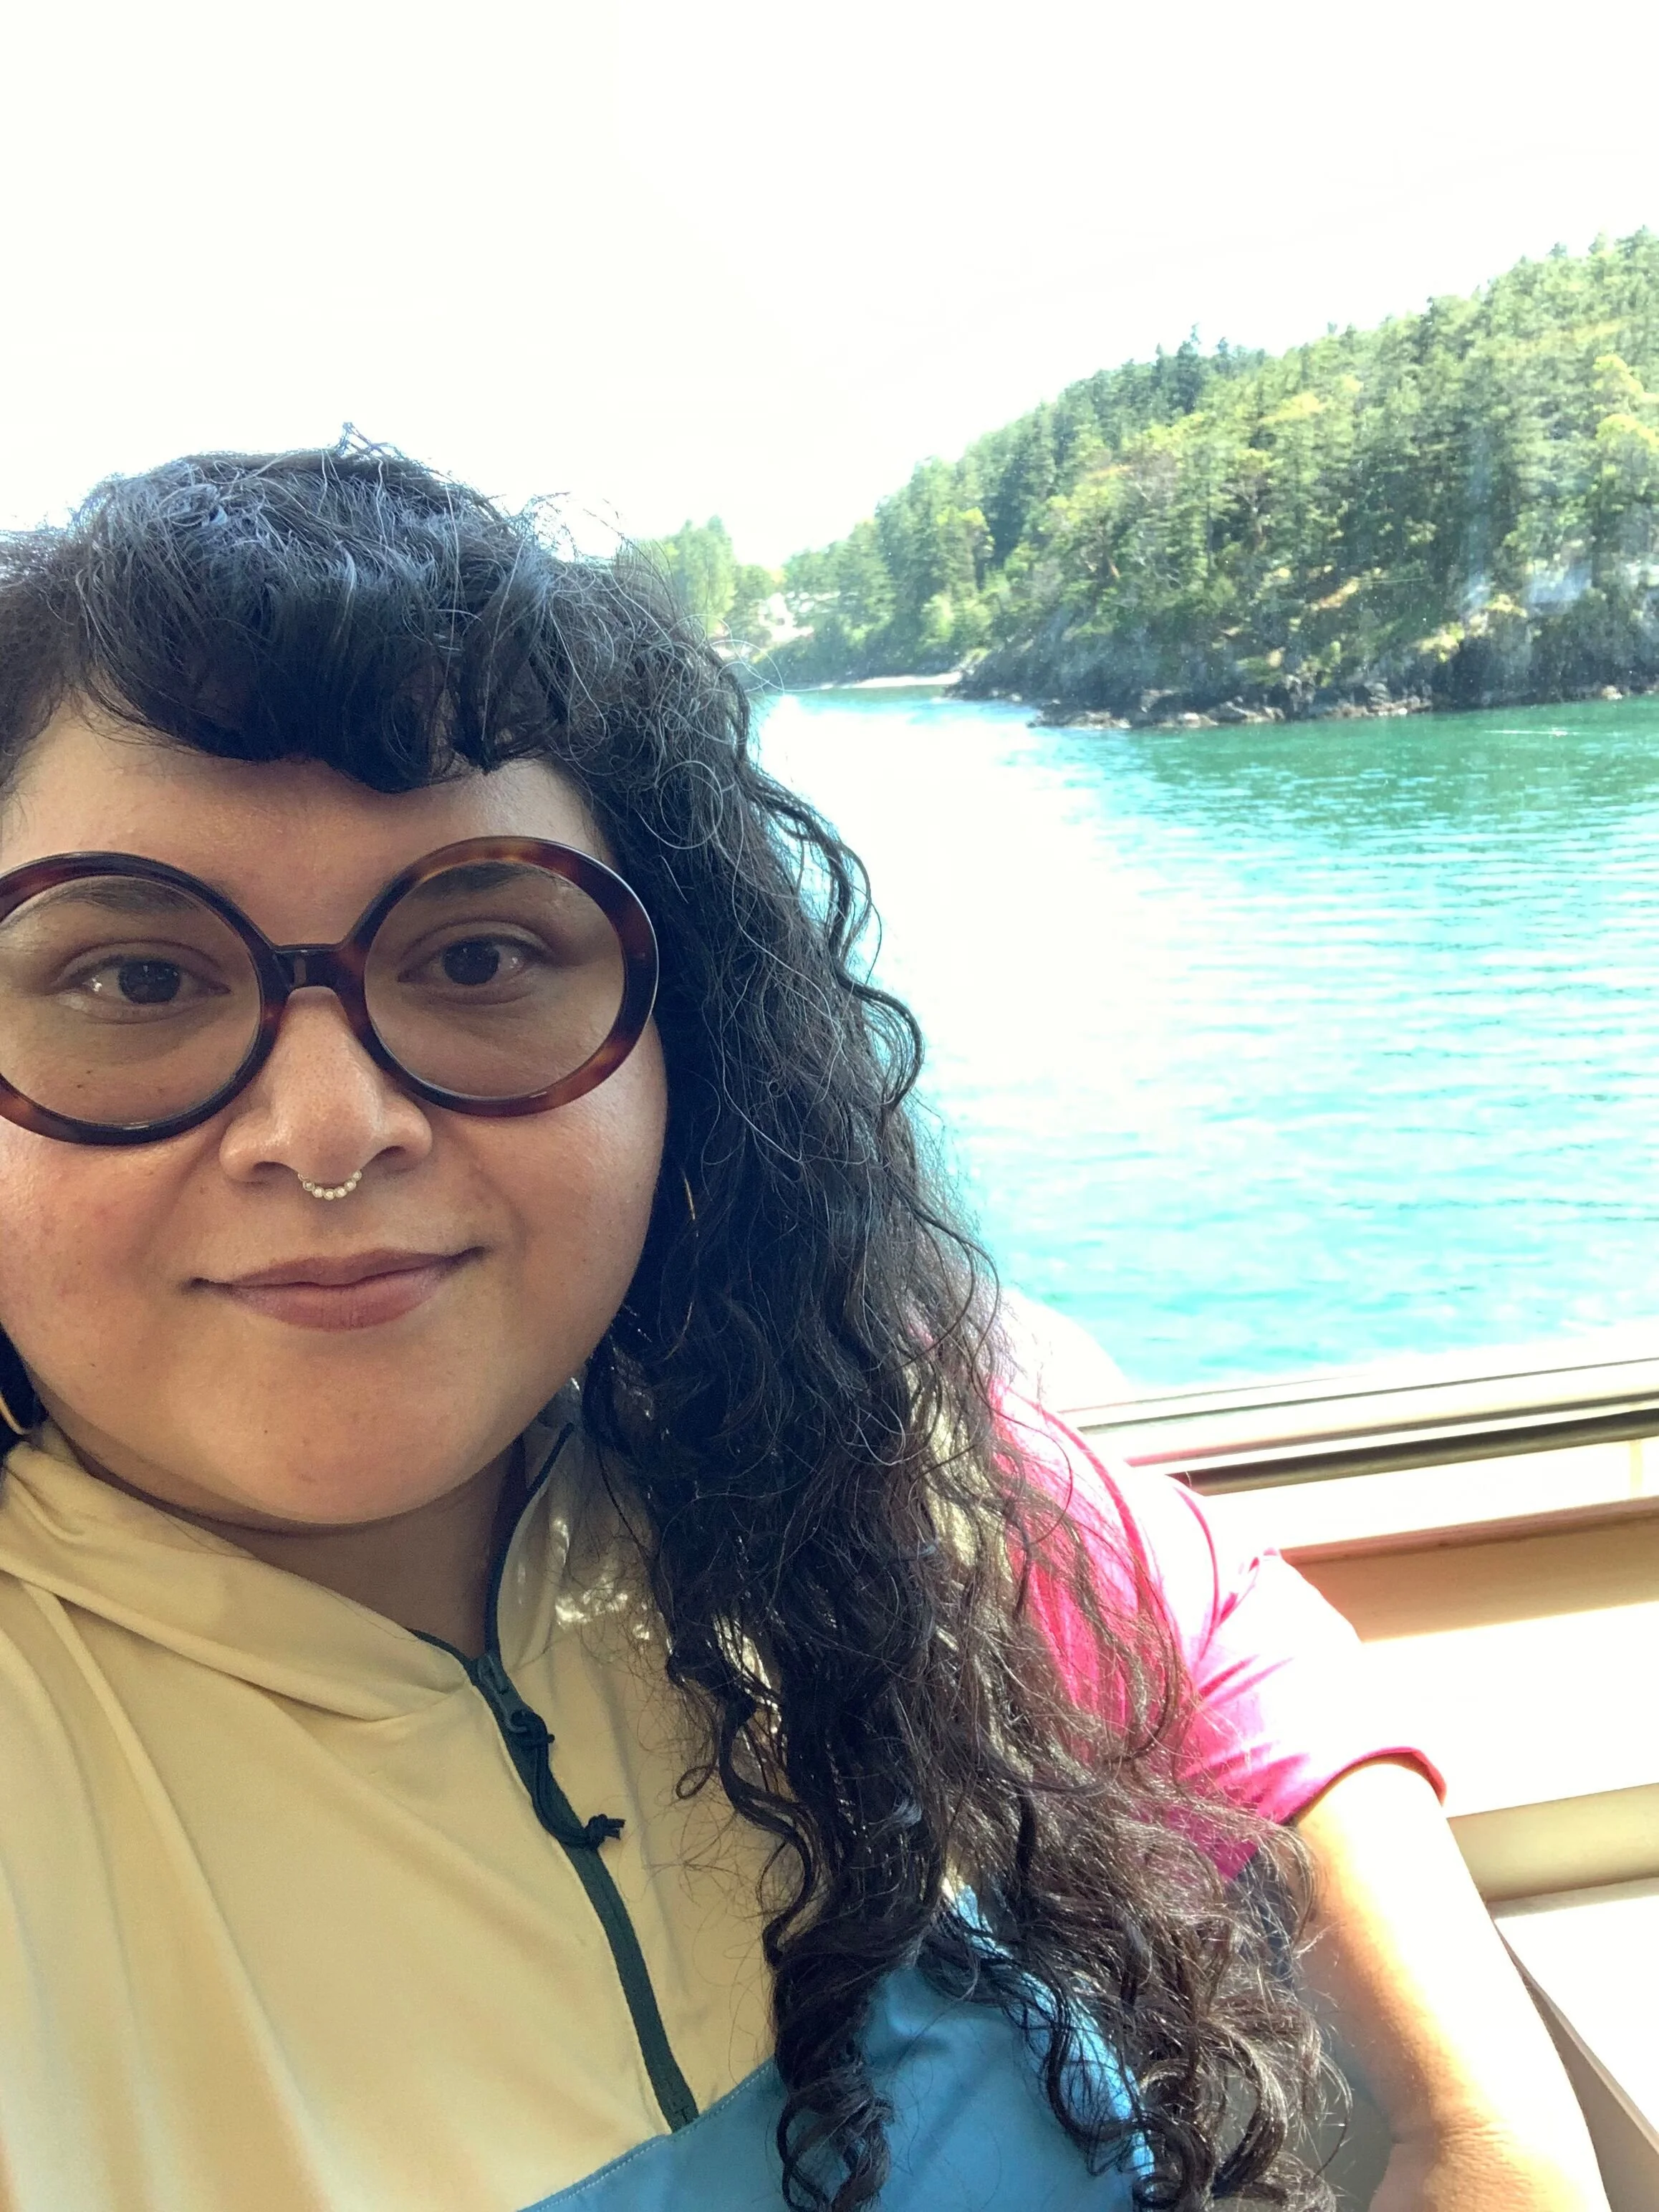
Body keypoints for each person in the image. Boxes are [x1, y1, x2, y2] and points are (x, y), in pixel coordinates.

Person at [0, 444, 1603, 2212]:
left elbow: (1214, 1627)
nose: (329, 1123)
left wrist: (1485, 2134)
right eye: (133, 978)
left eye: (475, 957)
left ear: (683, 1041)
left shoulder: (814, 1455)